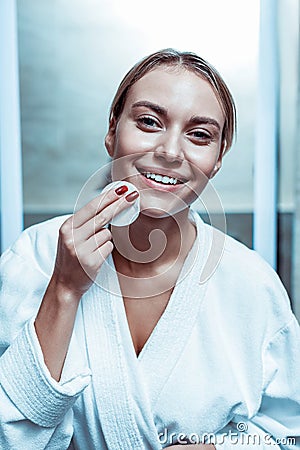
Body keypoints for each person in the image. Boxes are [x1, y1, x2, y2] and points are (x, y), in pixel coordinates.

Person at [0, 48, 299, 450]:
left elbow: (288, 432)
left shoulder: (251, 283)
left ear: (218, 158)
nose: (171, 152)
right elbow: (9, 433)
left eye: (199, 135)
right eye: (148, 122)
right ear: (112, 131)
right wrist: (64, 290)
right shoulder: (35, 256)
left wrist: (223, 449)